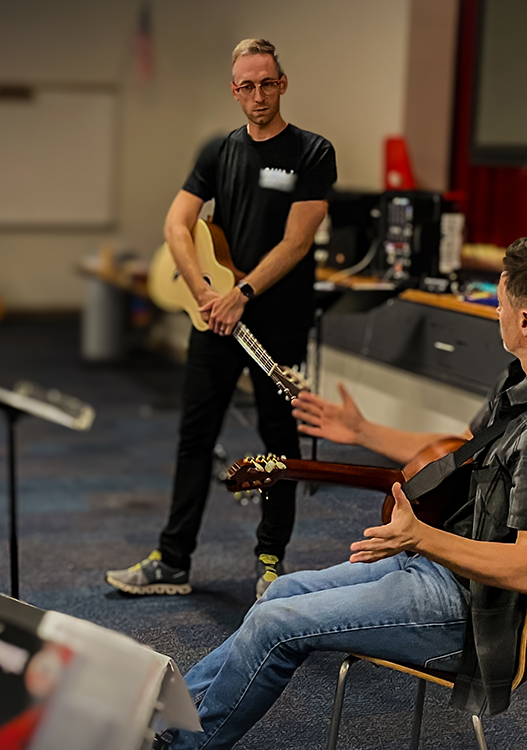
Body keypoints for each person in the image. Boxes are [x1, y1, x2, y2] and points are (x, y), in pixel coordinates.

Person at [160, 238, 527, 749]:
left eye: (503, 301)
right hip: (454, 568)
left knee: (274, 621)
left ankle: (180, 745)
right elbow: (469, 449)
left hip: (477, 613)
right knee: (284, 592)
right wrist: (362, 432)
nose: (497, 311)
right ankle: (164, 718)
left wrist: (420, 538)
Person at [107, 39, 337, 598]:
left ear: (282, 83)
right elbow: (176, 226)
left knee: (276, 440)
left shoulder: (312, 152)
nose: (257, 94)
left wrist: (244, 291)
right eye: (246, 85)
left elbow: (298, 240)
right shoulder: (218, 151)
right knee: (195, 435)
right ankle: (173, 560)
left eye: (266, 82)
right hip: (214, 317)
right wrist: (205, 290)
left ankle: (271, 563)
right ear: (234, 91)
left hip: (273, 319)